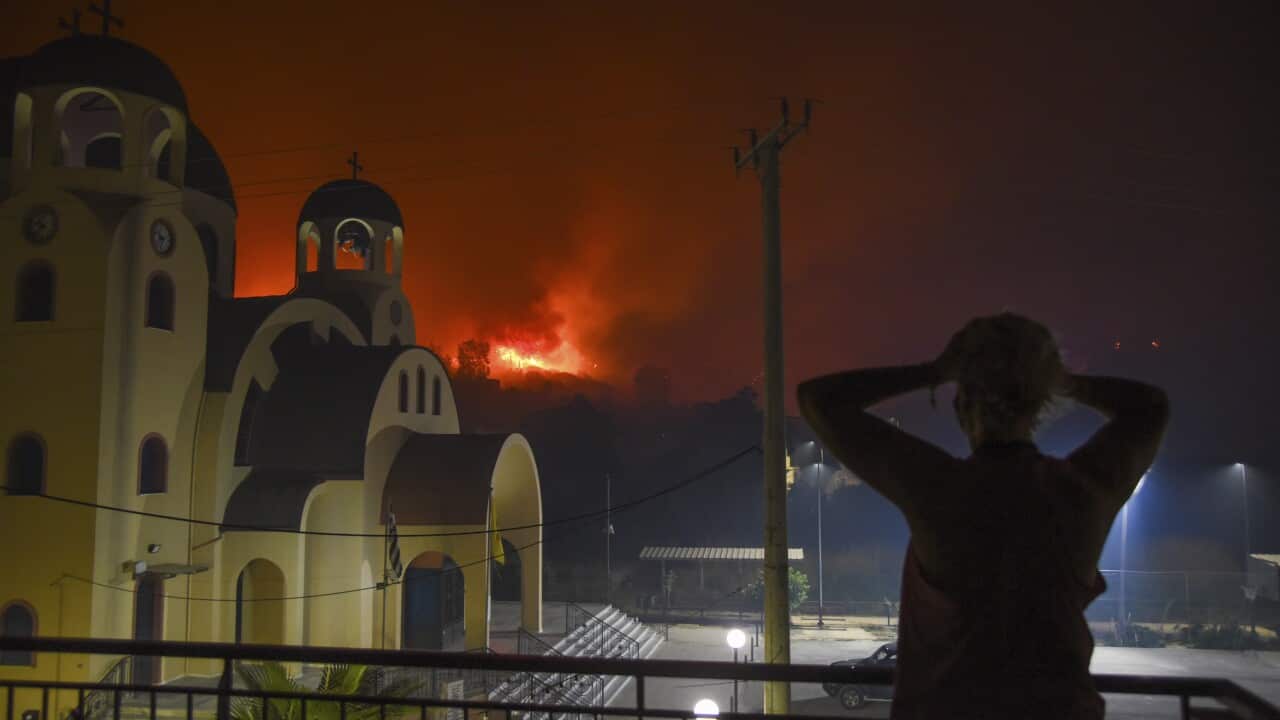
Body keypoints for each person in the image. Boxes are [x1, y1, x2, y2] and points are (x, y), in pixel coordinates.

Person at [797, 313, 1168, 719]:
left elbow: (820, 399)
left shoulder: (938, 490)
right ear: (1040, 405)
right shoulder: (1081, 492)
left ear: (959, 408)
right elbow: (1150, 407)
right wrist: (1055, 379)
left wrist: (934, 371)